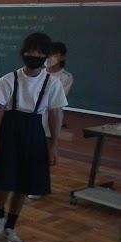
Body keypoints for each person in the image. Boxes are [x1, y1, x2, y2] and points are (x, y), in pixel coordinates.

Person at [0, 32, 67, 242]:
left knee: (24, 182)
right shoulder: (9, 79)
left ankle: (11, 226)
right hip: (8, 130)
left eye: (39, 53)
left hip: (34, 132)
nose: (34, 56)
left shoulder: (52, 83)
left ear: (46, 56)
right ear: (23, 53)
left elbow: (56, 115)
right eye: (30, 51)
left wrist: (53, 146)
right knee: (4, 180)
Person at [31, 41, 73, 200]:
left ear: (62, 56)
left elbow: (56, 100)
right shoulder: (37, 72)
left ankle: (38, 187)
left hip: (50, 122)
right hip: (32, 119)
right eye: (47, 54)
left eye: (53, 54)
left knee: (44, 156)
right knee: (30, 153)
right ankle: (27, 182)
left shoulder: (65, 77)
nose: (49, 57)